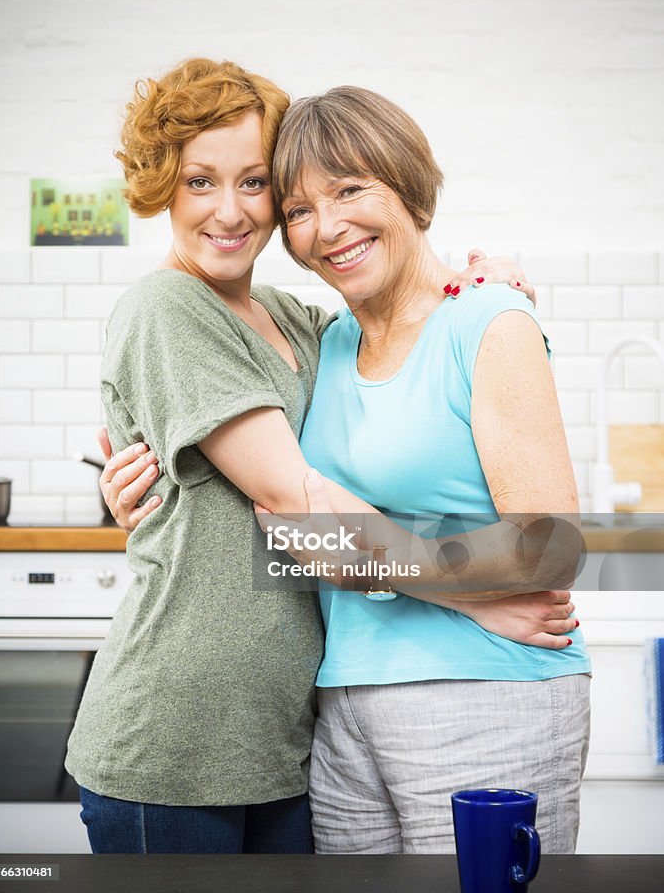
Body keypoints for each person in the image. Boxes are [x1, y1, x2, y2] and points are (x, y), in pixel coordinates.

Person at [95, 59, 588, 854]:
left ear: (407, 189)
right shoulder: (239, 320)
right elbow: (290, 509)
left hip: (394, 709)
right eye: (300, 206)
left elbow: (547, 539)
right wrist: (471, 597)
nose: (322, 225)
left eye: (257, 185)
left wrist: (491, 289)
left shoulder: (317, 326)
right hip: (256, 720)